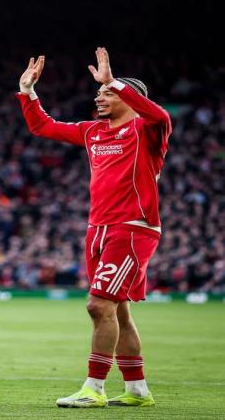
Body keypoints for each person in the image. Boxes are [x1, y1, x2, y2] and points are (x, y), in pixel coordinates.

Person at [17, 48, 172, 408]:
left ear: (129, 98)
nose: (98, 97)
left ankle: (94, 388)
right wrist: (27, 92)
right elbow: (42, 126)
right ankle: (137, 390)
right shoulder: (92, 132)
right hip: (98, 228)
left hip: (132, 228)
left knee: (98, 306)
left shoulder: (146, 129)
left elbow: (161, 115)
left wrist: (113, 81)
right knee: (117, 311)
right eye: (99, 92)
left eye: (106, 93)